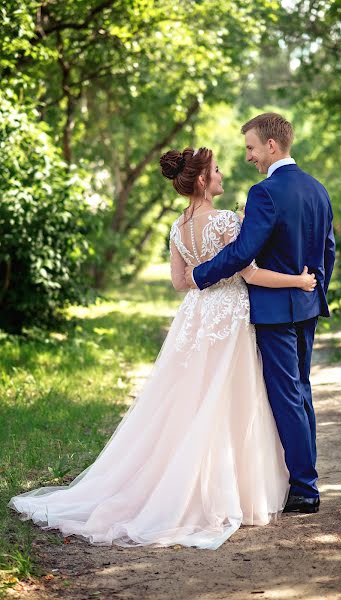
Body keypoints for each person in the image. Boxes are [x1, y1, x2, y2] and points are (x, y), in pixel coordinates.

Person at [8, 145, 317, 550]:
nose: (223, 174)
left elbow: (178, 281)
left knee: (189, 400)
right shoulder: (225, 220)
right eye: (217, 170)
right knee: (229, 398)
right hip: (228, 316)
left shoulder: (176, 226)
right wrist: (298, 281)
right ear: (203, 180)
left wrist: (201, 270)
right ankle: (227, 492)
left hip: (196, 315)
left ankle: (184, 483)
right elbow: (251, 272)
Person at [185, 113, 336, 514]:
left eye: (251, 147)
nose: (249, 156)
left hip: (274, 312)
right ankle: (305, 480)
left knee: (287, 395)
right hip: (306, 305)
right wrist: (314, 289)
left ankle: (305, 489)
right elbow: (329, 251)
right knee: (301, 390)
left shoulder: (265, 192)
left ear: (271, 145)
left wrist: (200, 274)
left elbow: (242, 252)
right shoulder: (318, 189)